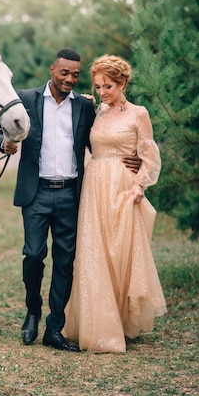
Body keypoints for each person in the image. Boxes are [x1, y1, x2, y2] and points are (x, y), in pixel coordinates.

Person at [0, 49, 141, 352]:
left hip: (72, 194)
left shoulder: (86, 107)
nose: (70, 79)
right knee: (34, 255)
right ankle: (32, 311)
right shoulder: (27, 99)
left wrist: (133, 158)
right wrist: (5, 143)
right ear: (52, 70)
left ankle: (54, 328)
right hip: (36, 193)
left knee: (66, 262)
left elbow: (102, 140)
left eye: (75, 74)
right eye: (64, 73)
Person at [62, 54, 167, 353]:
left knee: (120, 252)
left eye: (107, 86)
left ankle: (119, 318)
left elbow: (150, 155)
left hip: (123, 187)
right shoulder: (96, 110)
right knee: (95, 253)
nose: (101, 92)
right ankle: (98, 324)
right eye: (97, 86)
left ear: (122, 83)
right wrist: (84, 101)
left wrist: (138, 185)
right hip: (94, 186)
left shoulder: (138, 114)